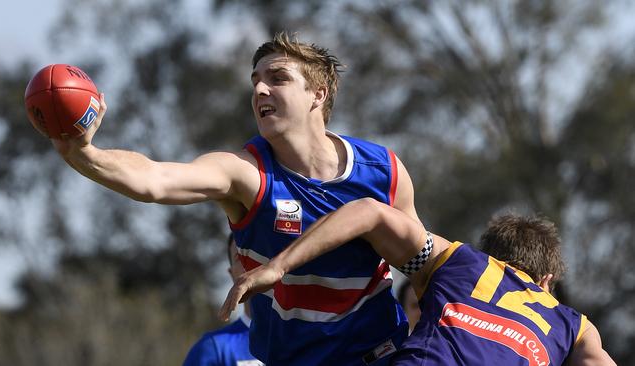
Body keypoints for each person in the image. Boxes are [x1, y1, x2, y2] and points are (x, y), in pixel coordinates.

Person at [51, 32, 415, 365]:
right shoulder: (246, 174)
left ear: (317, 94)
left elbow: (424, 269)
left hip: (384, 355)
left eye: (278, 78)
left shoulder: (383, 170)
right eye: (255, 81)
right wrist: (86, 155)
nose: (259, 90)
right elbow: (156, 181)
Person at [220, 198, 616, 365]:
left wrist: (278, 266)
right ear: (546, 280)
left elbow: (371, 213)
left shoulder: (463, 265)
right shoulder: (572, 325)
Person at [182, 234, 262, 366]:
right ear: (232, 275)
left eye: (259, 253)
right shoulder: (214, 350)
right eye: (240, 257)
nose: (251, 263)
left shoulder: (305, 338)